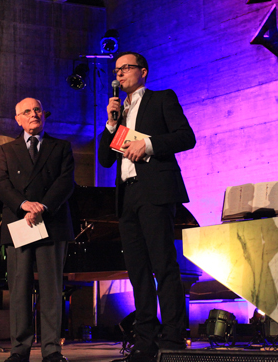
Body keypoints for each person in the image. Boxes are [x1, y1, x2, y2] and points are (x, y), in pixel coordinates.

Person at [98, 52, 196, 362]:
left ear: (143, 71)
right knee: (137, 271)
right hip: (127, 196)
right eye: (116, 70)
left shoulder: (162, 98)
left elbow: (186, 137)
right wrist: (111, 124)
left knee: (163, 265)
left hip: (155, 191)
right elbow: (104, 159)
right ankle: (145, 340)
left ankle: (173, 337)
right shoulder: (119, 112)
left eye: (125, 68)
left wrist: (148, 144)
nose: (119, 74)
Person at [0, 97, 75, 362]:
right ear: (18, 119)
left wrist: (42, 207)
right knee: (19, 291)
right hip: (19, 223)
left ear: (44, 115)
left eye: (38, 109)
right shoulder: (6, 150)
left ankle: (52, 350)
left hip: (51, 223)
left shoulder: (61, 147)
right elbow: (1, 184)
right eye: (27, 111)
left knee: (51, 290)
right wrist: (24, 204)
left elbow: (66, 183)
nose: (34, 114)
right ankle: (19, 350)